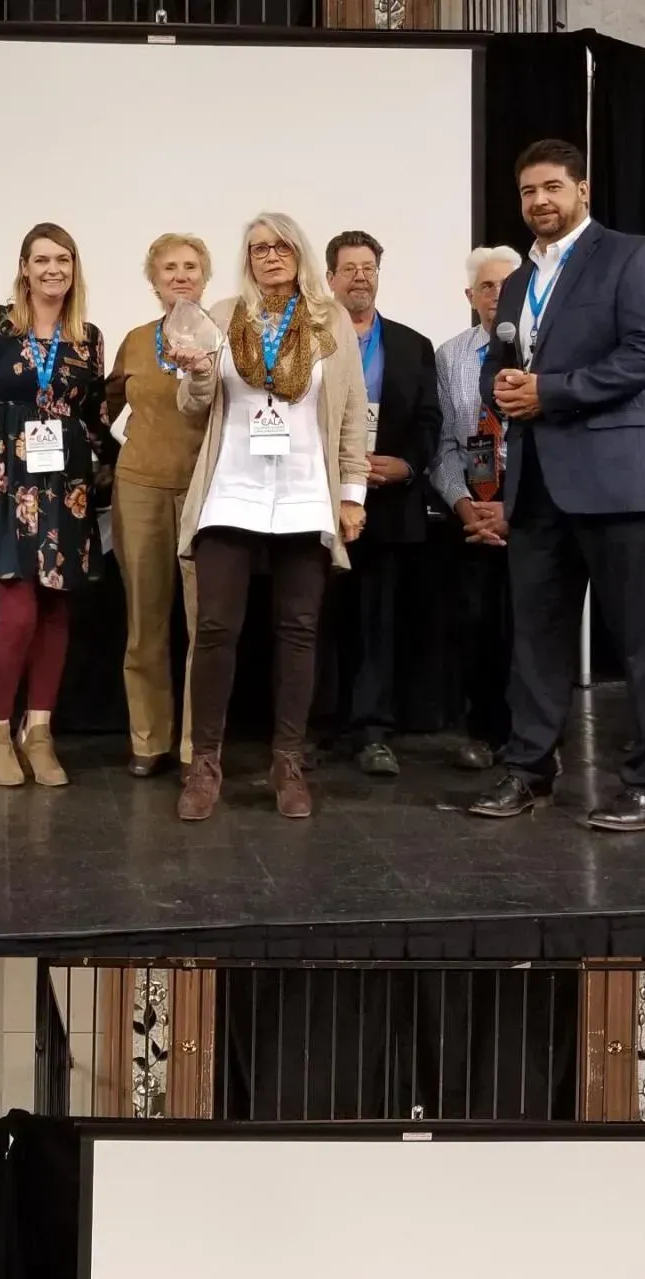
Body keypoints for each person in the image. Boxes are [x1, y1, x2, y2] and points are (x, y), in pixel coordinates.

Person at [470, 139, 645, 833]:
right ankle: (530, 768)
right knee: (536, 640)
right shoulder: (512, 282)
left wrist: (550, 392)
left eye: (553, 187)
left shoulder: (630, 255)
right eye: (529, 190)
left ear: (582, 191)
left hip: (619, 482)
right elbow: (501, 368)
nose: (540, 201)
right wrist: (502, 388)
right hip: (535, 487)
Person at [169, 211, 370, 823]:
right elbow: (192, 406)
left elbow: (352, 411)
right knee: (215, 630)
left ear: (299, 253)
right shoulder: (223, 316)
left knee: (299, 632)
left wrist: (353, 492)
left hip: (306, 491)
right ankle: (205, 763)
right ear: (247, 258)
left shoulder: (327, 317)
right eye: (258, 248)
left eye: (281, 246)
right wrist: (199, 373)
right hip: (232, 488)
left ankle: (287, 761)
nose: (270, 256)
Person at [0, 221, 114, 790]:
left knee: (56, 613)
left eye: (64, 260)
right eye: (42, 259)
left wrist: (131, 457)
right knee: (18, 612)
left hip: (66, 489)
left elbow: (95, 417)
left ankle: (41, 732)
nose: (53, 269)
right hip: (6, 484)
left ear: (75, 269)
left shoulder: (88, 336)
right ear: (24, 267)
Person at [319, 230, 440, 778]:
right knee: (318, 621)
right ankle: (320, 728)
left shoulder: (413, 345)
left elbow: (430, 422)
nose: (360, 277)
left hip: (388, 505)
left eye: (369, 268)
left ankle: (372, 732)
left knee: (379, 622)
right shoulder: (308, 342)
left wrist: (407, 465)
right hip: (320, 504)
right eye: (349, 269)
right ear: (329, 279)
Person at [106, 233, 212, 777]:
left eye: (190, 266)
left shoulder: (227, 337)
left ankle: (198, 748)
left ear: (205, 276)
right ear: (153, 280)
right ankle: (148, 741)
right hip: (140, 487)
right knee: (145, 622)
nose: (180, 275)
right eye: (169, 267)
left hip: (205, 490)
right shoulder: (132, 341)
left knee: (203, 626)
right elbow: (102, 410)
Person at [431, 243, 524, 766]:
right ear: (470, 295)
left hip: (530, 502)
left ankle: (534, 736)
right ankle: (484, 732)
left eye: (508, 286)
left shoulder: (545, 349)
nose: (497, 295)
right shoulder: (450, 356)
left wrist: (515, 509)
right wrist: (465, 506)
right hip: (472, 500)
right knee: (477, 622)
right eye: (487, 286)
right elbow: (445, 443)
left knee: (529, 624)